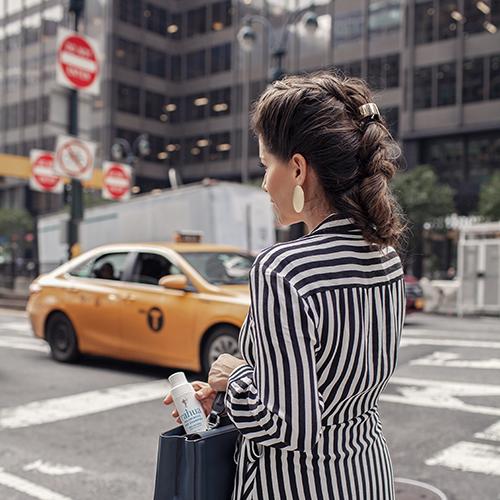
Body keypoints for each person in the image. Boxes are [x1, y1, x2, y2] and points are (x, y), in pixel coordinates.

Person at [164, 71, 407, 499]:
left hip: (294, 485)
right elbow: (332, 385)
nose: (263, 182)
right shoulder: (385, 258)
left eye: (265, 165)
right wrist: (231, 393)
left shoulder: (285, 268)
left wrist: (234, 376)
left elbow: (288, 425)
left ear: (297, 169)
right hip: (366, 474)